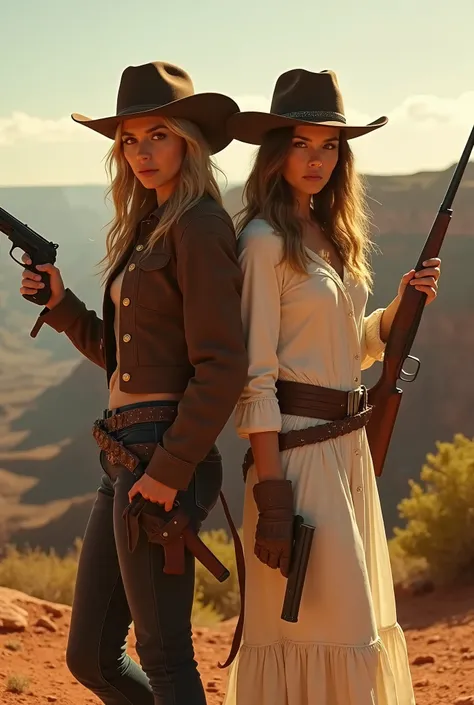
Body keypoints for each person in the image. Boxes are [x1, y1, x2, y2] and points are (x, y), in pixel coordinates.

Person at [20, 61, 248, 705]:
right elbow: (129, 360)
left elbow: (223, 363)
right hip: (123, 451)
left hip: (165, 453)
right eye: (129, 140)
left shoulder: (200, 226)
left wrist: (172, 469)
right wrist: (64, 308)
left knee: (165, 653)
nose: (142, 152)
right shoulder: (149, 224)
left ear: (188, 142)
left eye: (157, 135)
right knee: (91, 657)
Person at [222, 68, 441, 705]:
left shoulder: (333, 237)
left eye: (330, 146)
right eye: (301, 144)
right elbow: (255, 377)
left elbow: (354, 350)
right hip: (295, 456)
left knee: (356, 630)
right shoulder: (262, 244)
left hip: (349, 451)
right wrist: (273, 493)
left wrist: (400, 307)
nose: (316, 160)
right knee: (322, 630)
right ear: (276, 152)